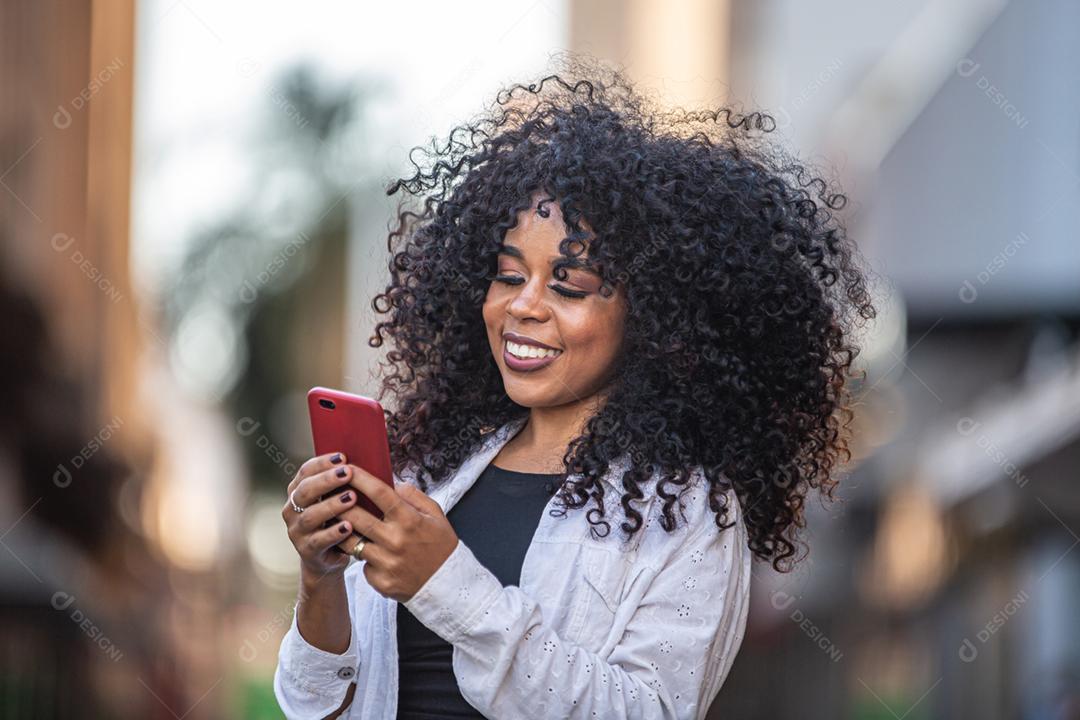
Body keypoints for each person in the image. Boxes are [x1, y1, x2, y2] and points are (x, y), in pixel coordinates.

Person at [275, 53, 876, 719]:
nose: (524, 306)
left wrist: (447, 584)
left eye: (570, 285)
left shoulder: (684, 509)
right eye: (507, 275)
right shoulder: (433, 477)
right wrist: (320, 578)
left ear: (650, 316)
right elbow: (317, 707)